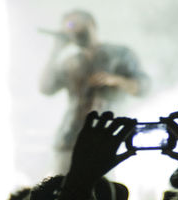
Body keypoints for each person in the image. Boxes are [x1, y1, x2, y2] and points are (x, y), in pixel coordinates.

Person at [40, 9, 150, 173]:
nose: (70, 30)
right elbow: (46, 88)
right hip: (70, 140)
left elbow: (144, 87)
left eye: (73, 24)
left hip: (107, 138)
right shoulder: (71, 62)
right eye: (66, 27)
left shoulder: (120, 54)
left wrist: (116, 80)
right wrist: (56, 50)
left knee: (103, 190)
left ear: (90, 24)